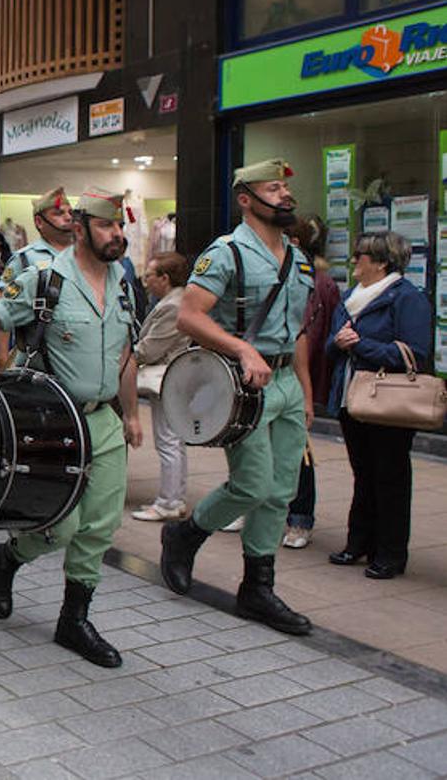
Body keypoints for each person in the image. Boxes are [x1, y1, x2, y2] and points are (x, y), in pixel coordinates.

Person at [0, 188, 143, 668]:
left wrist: (133, 413)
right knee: (62, 526)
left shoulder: (122, 282)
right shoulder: (45, 279)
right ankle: (6, 559)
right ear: (80, 229)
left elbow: (126, 354)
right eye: (106, 226)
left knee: (99, 526)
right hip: (56, 421)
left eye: (120, 226)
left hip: (104, 418)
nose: (117, 235)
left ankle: (74, 619)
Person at [162, 158, 316, 637]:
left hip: (287, 382)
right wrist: (243, 348)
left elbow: (299, 330)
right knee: (251, 486)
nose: (285, 195)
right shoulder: (227, 252)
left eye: (286, 189)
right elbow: (189, 317)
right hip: (246, 385)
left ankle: (257, 589)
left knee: (280, 491)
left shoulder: (297, 255)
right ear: (246, 199)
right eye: (273, 188)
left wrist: (305, 392)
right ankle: (185, 535)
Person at [323, 231, 431, 579]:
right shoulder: (350, 297)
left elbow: (416, 354)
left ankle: (390, 553)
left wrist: (359, 345)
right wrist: (340, 343)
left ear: (381, 262)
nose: (354, 260)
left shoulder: (407, 298)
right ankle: (359, 543)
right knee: (363, 475)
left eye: (361, 255)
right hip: (351, 399)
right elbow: (332, 346)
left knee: (390, 477)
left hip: (388, 402)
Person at [283, 215, 340, 549]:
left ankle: (300, 518)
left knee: (298, 452)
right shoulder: (265, 275)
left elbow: (307, 337)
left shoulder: (315, 282)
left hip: (291, 374)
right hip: (260, 375)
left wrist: (307, 391)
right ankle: (255, 507)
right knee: (253, 450)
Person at [131, 252, 194, 522]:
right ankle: (175, 498)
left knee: (167, 441)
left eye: (150, 276)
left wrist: (125, 356)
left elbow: (150, 348)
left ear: (165, 278)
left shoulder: (172, 306)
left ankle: (168, 502)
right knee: (174, 441)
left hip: (167, 379)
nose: (146, 282)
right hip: (175, 378)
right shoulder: (175, 301)